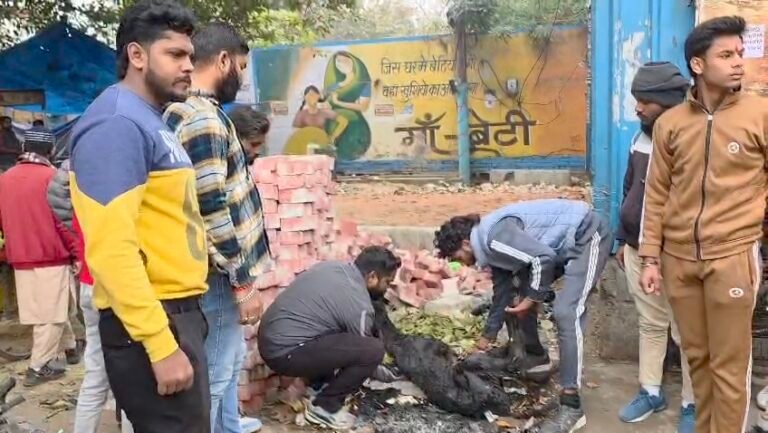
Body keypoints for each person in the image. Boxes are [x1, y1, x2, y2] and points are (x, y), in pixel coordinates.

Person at [69, 1, 210, 432]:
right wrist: (159, 344)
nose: (189, 66)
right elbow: (111, 250)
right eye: (175, 55)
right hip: (153, 322)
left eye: (190, 55)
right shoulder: (117, 124)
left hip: (177, 314)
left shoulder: (151, 121)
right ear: (136, 55)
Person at [639, 16, 768, 433]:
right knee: (698, 360)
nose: (738, 64)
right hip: (678, 260)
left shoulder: (760, 114)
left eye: (740, 54)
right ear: (698, 65)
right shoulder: (672, 124)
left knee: (730, 368)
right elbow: (656, 195)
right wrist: (649, 259)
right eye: (726, 55)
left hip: (732, 255)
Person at [164, 22, 272, 433]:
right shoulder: (204, 120)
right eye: (241, 67)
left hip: (211, 271)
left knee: (223, 363)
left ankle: (228, 426)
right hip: (218, 276)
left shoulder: (184, 112)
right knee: (216, 369)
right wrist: (243, 283)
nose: (241, 79)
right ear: (224, 61)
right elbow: (211, 209)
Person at [434, 199, 613, 433]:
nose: (460, 262)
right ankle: (536, 357)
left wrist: (533, 297)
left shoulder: (493, 237)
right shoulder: (490, 249)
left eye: (456, 256)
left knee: (566, 312)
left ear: (466, 243)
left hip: (587, 234)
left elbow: (543, 258)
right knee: (515, 297)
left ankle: (571, 403)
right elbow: (502, 293)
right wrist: (485, 339)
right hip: (559, 246)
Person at [615, 62, 695, 433]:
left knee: (688, 331)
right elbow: (629, 186)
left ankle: (693, 404)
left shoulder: (692, 138)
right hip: (635, 249)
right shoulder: (641, 136)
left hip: (676, 254)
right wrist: (622, 238)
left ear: (667, 101)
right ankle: (651, 390)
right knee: (651, 323)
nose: (638, 108)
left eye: (645, 101)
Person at [258, 246, 398, 430]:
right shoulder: (359, 303)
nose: (386, 289)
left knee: (335, 331)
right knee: (373, 350)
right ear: (372, 277)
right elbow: (365, 351)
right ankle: (324, 407)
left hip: (271, 341)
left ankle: (317, 386)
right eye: (387, 282)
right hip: (285, 353)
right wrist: (392, 375)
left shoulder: (333, 267)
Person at [0, 127, 80, 386]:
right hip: (50, 255)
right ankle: (38, 367)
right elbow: (64, 220)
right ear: (51, 151)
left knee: (47, 308)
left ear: (24, 149)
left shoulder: (5, 178)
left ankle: (69, 348)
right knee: (52, 315)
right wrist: (78, 253)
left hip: (20, 256)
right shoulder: (52, 177)